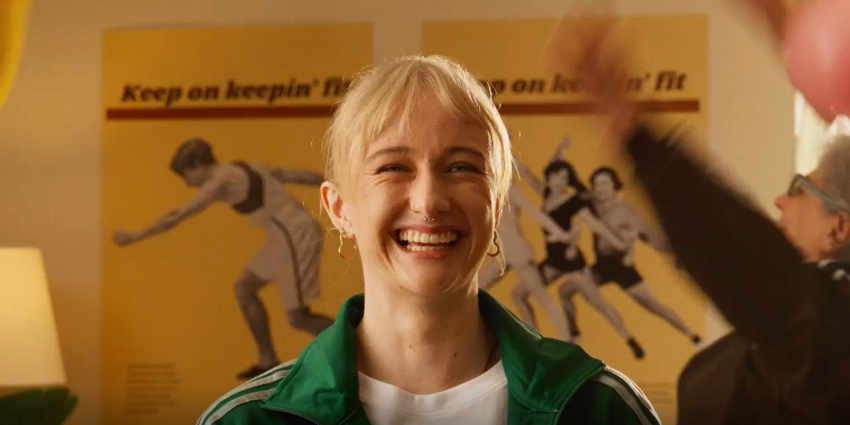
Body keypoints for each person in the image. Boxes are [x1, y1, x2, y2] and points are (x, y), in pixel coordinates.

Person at [197, 55, 659, 425]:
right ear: (339, 210)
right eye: (393, 167)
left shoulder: (601, 409)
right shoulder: (245, 421)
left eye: (461, 167)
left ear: (497, 205)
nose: (429, 200)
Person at [565, 3, 850, 423]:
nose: (780, 202)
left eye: (799, 189)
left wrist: (636, 133)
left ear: (839, 227)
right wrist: (800, 40)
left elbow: (756, 269)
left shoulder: (829, 334)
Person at [112, 139, 333, 380]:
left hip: (294, 233)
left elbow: (178, 215)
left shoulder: (219, 181)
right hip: (282, 234)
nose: (187, 183)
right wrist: (332, 184)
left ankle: (354, 348)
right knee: (244, 287)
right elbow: (294, 175)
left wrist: (135, 236)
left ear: (198, 165)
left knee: (298, 318)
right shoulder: (244, 166)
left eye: (186, 175)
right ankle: (268, 360)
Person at [514, 139, 646, 358]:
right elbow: (527, 174)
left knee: (598, 302)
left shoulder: (574, 202)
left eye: (564, 178)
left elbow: (596, 226)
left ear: (569, 181)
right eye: (556, 177)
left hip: (572, 261)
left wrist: (620, 244)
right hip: (553, 261)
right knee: (519, 293)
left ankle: (628, 338)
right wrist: (507, 150)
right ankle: (537, 342)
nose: (560, 181)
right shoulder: (546, 194)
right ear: (549, 177)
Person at [556, 166, 701, 344]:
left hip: (622, 267)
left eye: (605, 183)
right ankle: (574, 334)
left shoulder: (626, 210)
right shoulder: (592, 203)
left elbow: (650, 237)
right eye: (596, 184)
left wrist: (676, 256)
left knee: (653, 305)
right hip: (602, 266)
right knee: (565, 290)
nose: (600, 188)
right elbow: (570, 188)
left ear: (614, 185)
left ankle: (691, 335)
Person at [477, 182, 576, 341]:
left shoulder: (511, 192)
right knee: (475, 290)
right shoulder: (481, 193)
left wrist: (560, 234)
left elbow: (536, 214)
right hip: (502, 253)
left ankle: (567, 339)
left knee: (541, 297)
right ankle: (531, 338)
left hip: (518, 251)